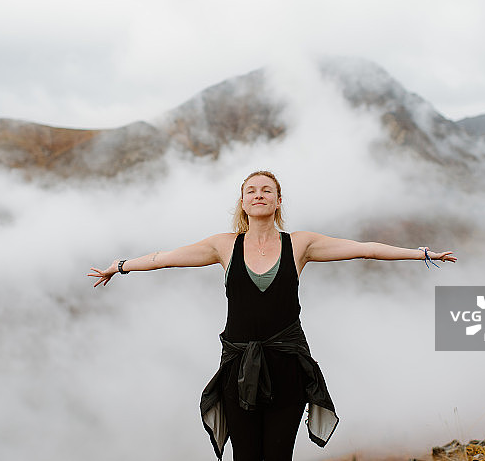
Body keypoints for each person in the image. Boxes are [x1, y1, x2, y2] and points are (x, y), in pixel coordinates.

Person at [88, 170, 456, 461]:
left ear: (278, 201)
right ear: (243, 202)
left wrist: (421, 253)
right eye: (251, 190)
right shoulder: (223, 245)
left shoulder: (300, 244)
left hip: (287, 365)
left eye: (266, 190)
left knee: (279, 456)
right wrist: (119, 267)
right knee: (245, 456)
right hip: (238, 367)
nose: (259, 194)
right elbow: (162, 258)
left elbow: (367, 250)